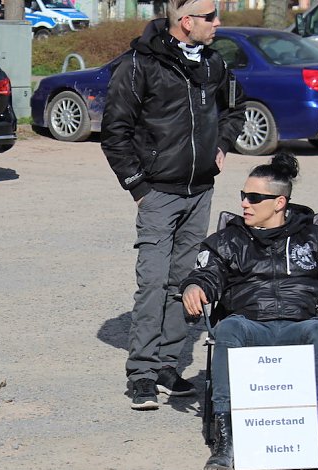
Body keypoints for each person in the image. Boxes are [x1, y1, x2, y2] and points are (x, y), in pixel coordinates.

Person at [180, 152, 318, 470]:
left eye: (254, 197)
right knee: (226, 330)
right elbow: (206, 273)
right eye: (243, 195)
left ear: (279, 202)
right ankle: (226, 440)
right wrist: (194, 287)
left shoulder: (314, 238)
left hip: (300, 327)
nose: (245, 203)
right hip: (248, 326)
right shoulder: (228, 239)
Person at [100, 0, 246, 410]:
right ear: (186, 22)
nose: (219, 23)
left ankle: (167, 364)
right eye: (210, 17)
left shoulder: (214, 63)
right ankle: (142, 373)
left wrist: (223, 143)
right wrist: (139, 187)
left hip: (200, 191)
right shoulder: (139, 64)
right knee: (152, 283)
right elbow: (115, 132)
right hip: (158, 192)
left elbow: (237, 106)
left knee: (185, 282)